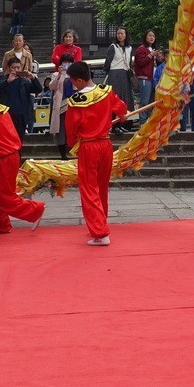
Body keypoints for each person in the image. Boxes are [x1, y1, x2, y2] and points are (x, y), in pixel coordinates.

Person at [65, 60, 128, 246]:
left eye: (72, 80)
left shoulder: (76, 102)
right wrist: (122, 116)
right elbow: (121, 108)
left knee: (89, 188)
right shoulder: (106, 91)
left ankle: (100, 232)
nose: (72, 84)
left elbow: (71, 127)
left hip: (88, 145)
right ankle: (100, 222)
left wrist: (72, 143)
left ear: (78, 80)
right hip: (106, 143)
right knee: (101, 187)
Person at [0, 80, 45, 235]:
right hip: (5, 156)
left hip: (4, 158)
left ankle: (35, 210)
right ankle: (0, 225)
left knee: (3, 196)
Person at [0, 56, 43, 136]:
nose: (16, 70)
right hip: (7, 115)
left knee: (20, 138)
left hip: (21, 116)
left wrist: (33, 78)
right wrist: (8, 81)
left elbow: (38, 89)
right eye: (13, 67)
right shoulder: (3, 80)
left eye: (18, 67)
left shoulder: (24, 81)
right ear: (9, 68)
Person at [104, 26, 137, 128]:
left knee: (127, 98)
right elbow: (107, 63)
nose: (120, 35)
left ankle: (127, 124)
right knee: (116, 98)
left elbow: (129, 63)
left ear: (126, 35)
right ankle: (115, 125)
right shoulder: (113, 47)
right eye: (118, 33)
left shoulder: (129, 48)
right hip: (114, 73)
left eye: (122, 33)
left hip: (125, 74)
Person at [48, 52, 75, 159]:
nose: (67, 64)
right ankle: (63, 154)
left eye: (69, 62)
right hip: (61, 105)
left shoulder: (75, 75)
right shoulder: (56, 74)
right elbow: (52, 86)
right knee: (61, 130)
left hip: (73, 105)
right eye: (65, 62)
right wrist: (59, 75)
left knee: (74, 128)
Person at [133, 30, 158, 111]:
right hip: (145, 78)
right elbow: (140, 62)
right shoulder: (141, 49)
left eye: (153, 36)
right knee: (144, 102)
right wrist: (151, 55)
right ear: (145, 37)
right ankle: (142, 119)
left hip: (153, 79)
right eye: (149, 35)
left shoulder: (153, 49)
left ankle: (149, 118)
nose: (152, 37)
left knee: (151, 103)